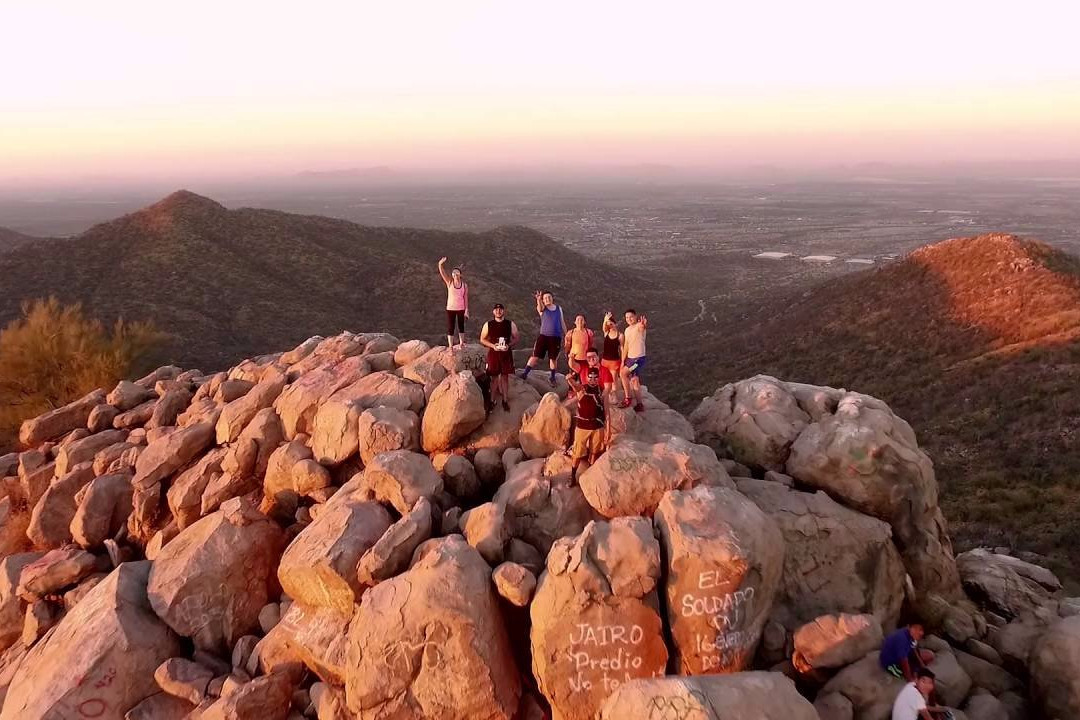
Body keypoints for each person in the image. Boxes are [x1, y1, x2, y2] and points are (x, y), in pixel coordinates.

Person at [569, 367, 606, 485]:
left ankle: (590, 473)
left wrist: (608, 430)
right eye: (590, 377)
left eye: (595, 378)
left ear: (598, 378)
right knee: (578, 452)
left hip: (597, 426)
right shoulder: (583, 389)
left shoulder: (601, 391)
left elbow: (607, 410)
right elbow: (575, 386)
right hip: (583, 427)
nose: (593, 380)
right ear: (587, 378)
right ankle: (572, 476)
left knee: (594, 451)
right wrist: (570, 380)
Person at [521, 290, 567, 384]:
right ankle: (525, 373)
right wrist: (538, 300)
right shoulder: (542, 309)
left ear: (552, 298)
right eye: (545, 298)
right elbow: (540, 308)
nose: (547, 299)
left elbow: (562, 322)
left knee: (553, 358)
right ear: (543, 300)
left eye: (549, 297)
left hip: (556, 337)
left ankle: (552, 377)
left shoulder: (558, 308)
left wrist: (567, 335)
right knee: (535, 355)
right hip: (544, 336)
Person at [479, 303, 519, 413]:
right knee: (494, 379)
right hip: (493, 353)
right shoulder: (488, 324)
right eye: (496, 309)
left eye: (500, 309)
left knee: (505, 378)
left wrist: (508, 345)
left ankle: (505, 401)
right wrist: (493, 346)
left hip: (506, 353)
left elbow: (516, 338)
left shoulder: (510, 324)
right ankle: (492, 401)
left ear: (503, 311)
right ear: (493, 312)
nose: (498, 311)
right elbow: (482, 339)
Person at [618, 309, 648, 412]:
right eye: (626, 317)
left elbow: (642, 327)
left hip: (638, 359)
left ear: (635, 316)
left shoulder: (638, 326)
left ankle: (628, 399)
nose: (629, 319)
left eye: (631, 316)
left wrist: (643, 325)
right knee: (634, 380)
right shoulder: (627, 330)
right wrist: (623, 360)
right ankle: (639, 404)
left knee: (623, 374)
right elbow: (626, 346)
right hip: (631, 359)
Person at [437, 257, 469, 350]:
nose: (455, 274)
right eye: (453, 273)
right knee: (451, 327)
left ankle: (461, 343)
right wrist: (440, 264)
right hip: (451, 308)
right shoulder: (449, 282)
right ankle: (450, 346)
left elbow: (465, 298)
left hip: (461, 308)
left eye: (457, 272)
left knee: (461, 326)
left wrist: (467, 310)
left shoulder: (464, 285)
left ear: (460, 275)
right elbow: (443, 273)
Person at [600, 312, 623, 402]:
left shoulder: (620, 335)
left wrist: (623, 361)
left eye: (611, 324)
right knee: (604, 379)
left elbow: (621, 348)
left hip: (614, 361)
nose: (610, 326)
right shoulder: (606, 333)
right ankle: (606, 394)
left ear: (615, 324)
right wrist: (605, 319)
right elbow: (603, 326)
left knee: (614, 380)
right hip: (605, 361)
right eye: (608, 324)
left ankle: (614, 396)